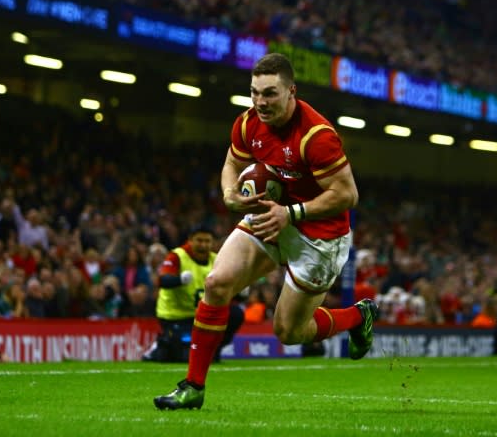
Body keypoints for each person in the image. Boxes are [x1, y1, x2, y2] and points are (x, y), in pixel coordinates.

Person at [154, 53, 377, 410]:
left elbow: (347, 194)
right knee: (216, 284)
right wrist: (229, 193)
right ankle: (193, 387)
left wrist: (292, 213)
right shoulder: (247, 123)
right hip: (272, 216)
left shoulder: (317, 136)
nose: (261, 102)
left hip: (319, 236)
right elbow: (232, 162)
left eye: (270, 93)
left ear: (292, 91)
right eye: (255, 93)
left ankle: (357, 316)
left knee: (288, 332)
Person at [143, 226, 243, 362]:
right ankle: (159, 346)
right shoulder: (177, 256)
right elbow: (162, 280)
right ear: (190, 240)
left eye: (207, 241)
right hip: (176, 316)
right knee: (186, 357)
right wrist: (179, 279)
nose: (203, 245)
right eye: (199, 241)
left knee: (236, 313)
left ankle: (215, 348)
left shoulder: (216, 260)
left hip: (203, 315)